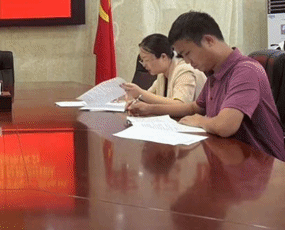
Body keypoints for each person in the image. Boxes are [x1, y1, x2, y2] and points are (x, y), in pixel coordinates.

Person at [127, 11, 285, 161]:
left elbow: (225, 125)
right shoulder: (214, 74)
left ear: (209, 41)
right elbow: (193, 108)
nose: (186, 61)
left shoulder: (246, 71)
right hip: (232, 157)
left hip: (265, 165)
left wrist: (200, 121)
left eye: (187, 53)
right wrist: (149, 109)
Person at [121, 33, 206, 105]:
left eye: (146, 60)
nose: (144, 65)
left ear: (163, 57)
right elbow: (149, 96)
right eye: (142, 61)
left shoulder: (184, 70)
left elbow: (180, 105)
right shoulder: (162, 74)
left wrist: (140, 93)